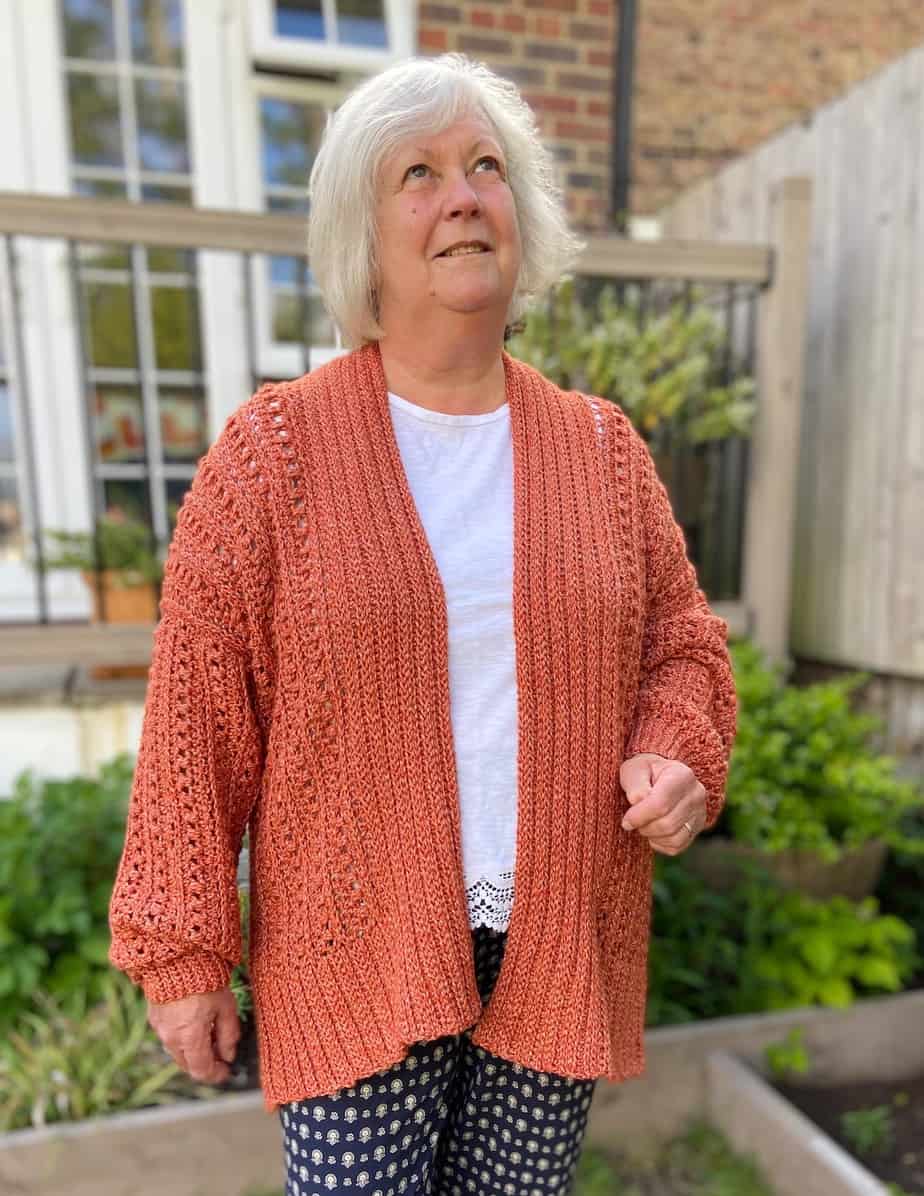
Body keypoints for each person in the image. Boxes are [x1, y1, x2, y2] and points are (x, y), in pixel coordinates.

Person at [108, 52, 737, 1196]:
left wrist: (678, 747)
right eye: (420, 173)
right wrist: (182, 948)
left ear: (522, 211)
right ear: (364, 232)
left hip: (553, 940)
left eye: (486, 166)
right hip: (353, 947)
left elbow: (681, 639)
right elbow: (196, 714)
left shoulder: (600, 450)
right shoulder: (275, 456)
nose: (462, 195)